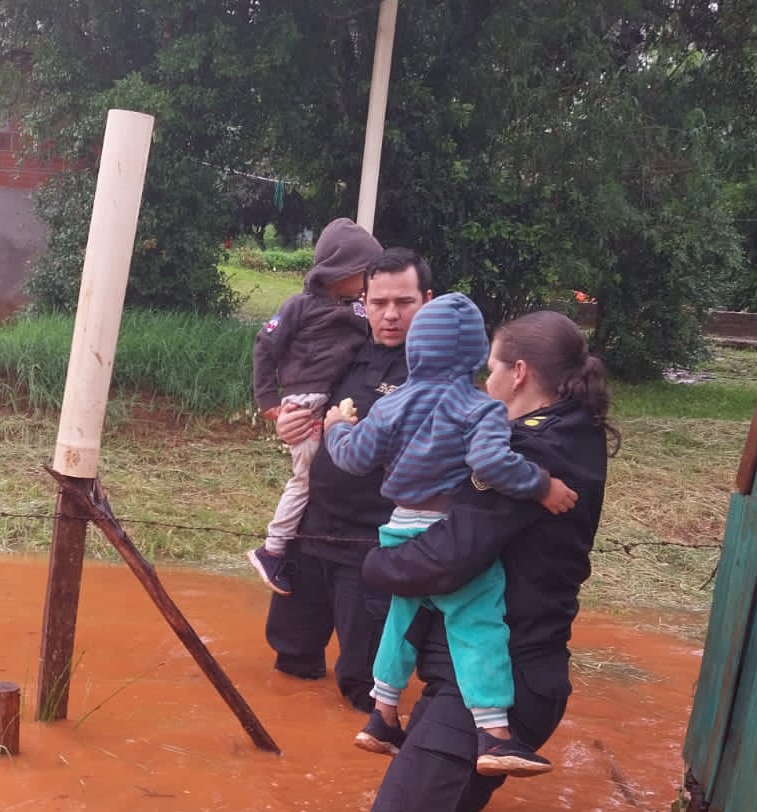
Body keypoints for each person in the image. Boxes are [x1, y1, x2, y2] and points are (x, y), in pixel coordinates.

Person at [355, 310, 615, 812]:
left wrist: (370, 565)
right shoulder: (574, 431)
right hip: (497, 675)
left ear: (518, 373)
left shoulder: (526, 454)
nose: (482, 385)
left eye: (490, 370)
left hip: (501, 681)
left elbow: (443, 559)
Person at [321, 293, 578, 776]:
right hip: (444, 533)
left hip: (397, 529)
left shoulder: (390, 405)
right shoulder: (480, 409)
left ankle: (381, 717)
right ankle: (495, 735)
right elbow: (490, 463)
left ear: (416, 346)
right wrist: (541, 485)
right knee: (478, 625)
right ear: (474, 353)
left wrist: (335, 427)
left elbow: (353, 457)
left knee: (401, 623)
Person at [264, 248, 433, 711]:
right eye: (378, 303)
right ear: (364, 302)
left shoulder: (438, 374)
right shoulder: (347, 348)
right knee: (292, 660)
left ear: (428, 301)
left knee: (363, 685)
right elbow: (301, 392)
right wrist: (287, 421)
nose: (391, 315)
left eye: (404, 302)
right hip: (313, 530)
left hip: (376, 545)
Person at [246, 218, 385, 595]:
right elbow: (265, 345)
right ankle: (272, 549)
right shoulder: (298, 306)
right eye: (364, 274)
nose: (368, 282)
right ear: (339, 271)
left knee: (320, 470)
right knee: (306, 479)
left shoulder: (358, 311)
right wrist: (268, 401)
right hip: (304, 402)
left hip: (328, 404)